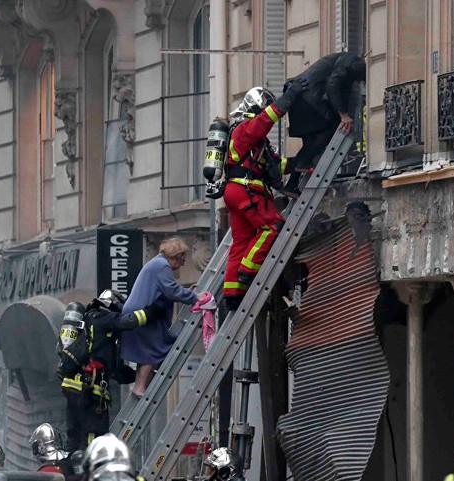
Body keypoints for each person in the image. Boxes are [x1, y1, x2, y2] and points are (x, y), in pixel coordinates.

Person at [221, 82, 306, 311]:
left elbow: (275, 166)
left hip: (238, 191)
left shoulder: (256, 144)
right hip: (245, 189)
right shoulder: (244, 129)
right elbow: (263, 123)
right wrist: (285, 101)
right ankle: (248, 272)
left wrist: (301, 163)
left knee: (242, 241)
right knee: (274, 227)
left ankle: (232, 292)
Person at [58, 291, 167, 452]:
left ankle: (69, 471)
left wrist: (139, 375)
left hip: (75, 387)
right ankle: (89, 472)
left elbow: (115, 371)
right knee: (93, 437)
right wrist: (153, 310)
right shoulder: (102, 317)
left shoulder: (95, 327)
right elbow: (130, 321)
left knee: (74, 436)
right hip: (89, 390)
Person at [121, 237, 200, 397]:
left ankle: (141, 385)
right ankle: (140, 387)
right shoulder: (162, 266)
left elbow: (168, 289)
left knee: (149, 350)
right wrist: (195, 297)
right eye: (182, 258)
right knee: (154, 348)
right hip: (145, 315)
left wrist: (187, 292)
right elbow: (171, 290)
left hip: (140, 314)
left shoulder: (157, 264)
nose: (184, 263)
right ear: (176, 255)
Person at [281, 52, 366, 197]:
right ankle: (303, 163)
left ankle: (292, 185)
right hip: (308, 100)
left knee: (308, 146)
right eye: (358, 80)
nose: (357, 84)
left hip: (298, 98)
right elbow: (333, 86)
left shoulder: (340, 61)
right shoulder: (349, 61)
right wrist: (343, 115)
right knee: (331, 128)